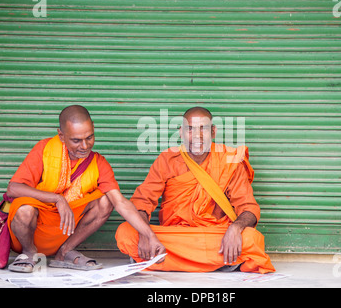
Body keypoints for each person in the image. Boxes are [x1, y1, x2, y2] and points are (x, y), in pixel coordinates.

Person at [5, 105, 165, 272]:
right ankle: (29, 253)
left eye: (89, 137)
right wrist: (57, 199)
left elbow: (120, 202)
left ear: (93, 127)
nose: (84, 146)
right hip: (33, 228)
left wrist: (150, 236)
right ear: (61, 135)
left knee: (106, 201)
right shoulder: (44, 150)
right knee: (24, 210)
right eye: (76, 140)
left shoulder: (98, 163)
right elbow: (13, 188)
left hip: (65, 229)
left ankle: (64, 251)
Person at [116, 107, 275, 273]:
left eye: (203, 128)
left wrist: (235, 229)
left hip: (215, 236)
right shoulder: (167, 160)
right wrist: (145, 234)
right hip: (176, 235)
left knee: (251, 238)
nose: (197, 136)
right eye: (190, 129)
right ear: (181, 133)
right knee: (126, 232)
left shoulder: (229, 160)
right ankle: (223, 262)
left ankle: (158, 261)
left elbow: (249, 208)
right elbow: (142, 202)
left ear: (213, 132)